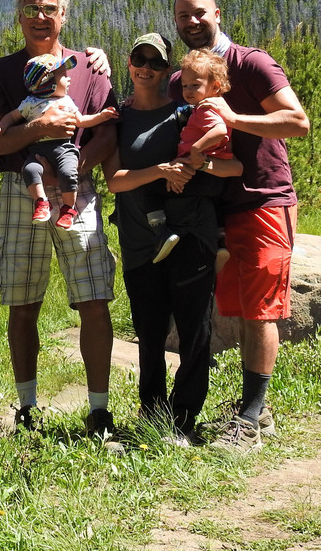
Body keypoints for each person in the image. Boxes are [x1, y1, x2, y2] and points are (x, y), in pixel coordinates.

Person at [0, 0, 119, 438]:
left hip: (77, 193)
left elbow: (107, 132)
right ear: (19, 16)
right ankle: (27, 409)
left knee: (94, 298)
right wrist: (40, 131)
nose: (41, 18)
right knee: (23, 303)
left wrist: (75, 168)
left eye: (50, 9)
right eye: (31, 9)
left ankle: (99, 410)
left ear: (64, 15)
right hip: (24, 191)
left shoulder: (89, 69)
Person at [171, 0, 310, 453]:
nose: (191, 23)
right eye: (182, 17)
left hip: (264, 200)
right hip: (217, 207)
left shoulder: (252, 64)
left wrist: (233, 117)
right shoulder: (186, 78)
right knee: (235, 308)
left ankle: (250, 416)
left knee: (259, 310)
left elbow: (297, 122)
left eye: (198, 14)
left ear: (217, 13)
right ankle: (255, 407)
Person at [102, 33, 243, 445]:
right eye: (138, 58)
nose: (146, 66)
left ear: (168, 71)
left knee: (194, 329)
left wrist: (197, 160)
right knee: (149, 332)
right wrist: (164, 169)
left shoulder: (187, 114)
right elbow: (114, 181)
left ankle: (183, 421)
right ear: (129, 63)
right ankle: (152, 415)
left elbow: (230, 161)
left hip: (190, 235)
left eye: (156, 62)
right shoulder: (119, 118)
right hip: (139, 240)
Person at [0, 53, 118, 229]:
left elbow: (82, 121)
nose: (68, 78)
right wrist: (1, 128)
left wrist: (101, 116)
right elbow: (11, 116)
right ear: (47, 82)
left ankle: (68, 210)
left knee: (69, 172)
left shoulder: (67, 101)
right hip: (38, 151)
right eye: (62, 74)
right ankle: (41, 203)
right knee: (30, 169)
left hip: (64, 149)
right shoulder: (30, 103)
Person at [154, 47, 234, 265]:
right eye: (184, 85)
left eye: (195, 85)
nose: (187, 91)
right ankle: (218, 242)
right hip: (209, 173)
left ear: (215, 86)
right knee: (202, 206)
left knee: (169, 193)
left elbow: (219, 131)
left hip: (203, 171)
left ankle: (167, 233)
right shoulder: (200, 107)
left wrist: (197, 150)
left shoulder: (207, 109)